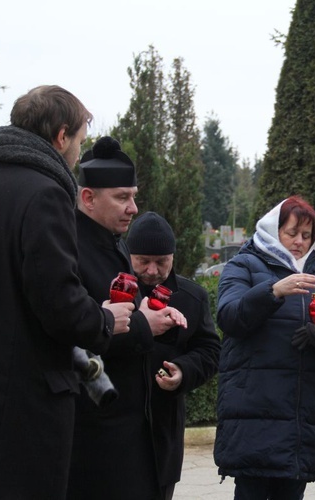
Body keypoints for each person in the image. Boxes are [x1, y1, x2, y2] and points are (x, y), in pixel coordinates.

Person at [0, 85, 134, 500]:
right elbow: (58, 305)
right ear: (60, 136)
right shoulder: (45, 193)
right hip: (17, 412)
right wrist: (107, 319)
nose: (76, 154)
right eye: (78, 142)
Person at [214, 195, 315, 499]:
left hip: (300, 420)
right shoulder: (244, 265)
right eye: (291, 233)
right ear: (273, 231)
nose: (299, 242)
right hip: (252, 412)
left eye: (306, 235)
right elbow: (229, 317)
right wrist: (273, 291)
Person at [66, 137, 187, 500]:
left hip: (134, 430)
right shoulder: (68, 246)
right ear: (88, 198)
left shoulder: (114, 243)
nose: (133, 208)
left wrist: (154, 318)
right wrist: (142, 325)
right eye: (122, 197)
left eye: (133, 196)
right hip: (94, 434)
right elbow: (74, 334)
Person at [126, 211, 221, 499]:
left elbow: (209, 350)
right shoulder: (112, 291)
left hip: (162, 427)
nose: (152, 271)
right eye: (143, 261)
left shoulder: (192, 297)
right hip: (114, 423)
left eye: (162, 262)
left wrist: (183, 371)